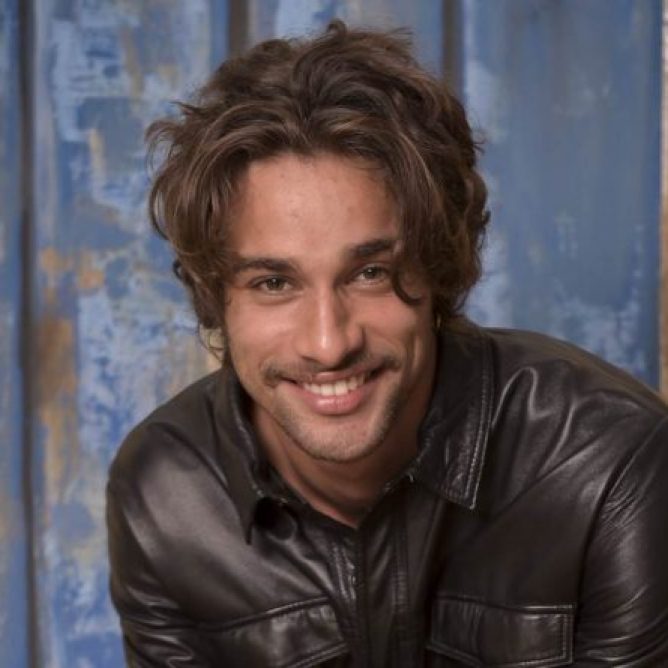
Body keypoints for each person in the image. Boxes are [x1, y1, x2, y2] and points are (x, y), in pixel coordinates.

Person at [106, 20, 668, 667]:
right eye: (273, 282)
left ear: (437, 267)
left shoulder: (608, 465)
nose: (328, 343)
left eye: (370, 273)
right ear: (215, 294)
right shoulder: (167, 494)